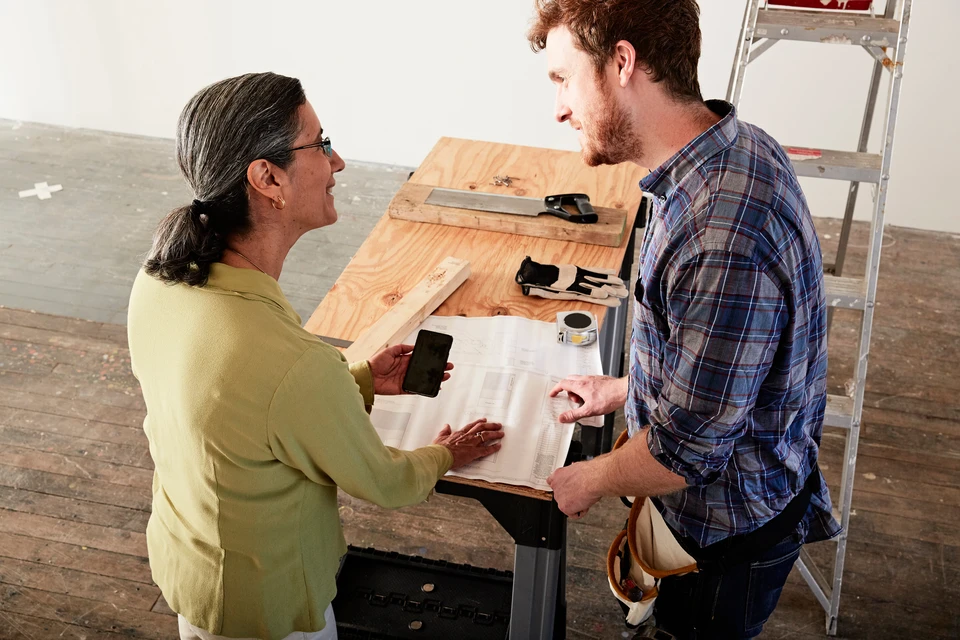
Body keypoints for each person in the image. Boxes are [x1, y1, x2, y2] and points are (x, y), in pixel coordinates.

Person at [126, 72, 504, 640]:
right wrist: (447, 452)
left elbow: (244, 414)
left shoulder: (157, 284)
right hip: (268, 610)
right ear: (268, 177)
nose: (339, 162)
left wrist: (358, 380)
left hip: (196, 579)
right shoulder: (290, 362)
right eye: (321, 144)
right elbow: (386, 482)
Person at [527, 1, 841, 638]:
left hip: (726, 542)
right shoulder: (728, 148)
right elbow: (720, 365)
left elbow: (685, 452)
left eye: (564, 80)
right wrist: (626, 389)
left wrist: (590, 476)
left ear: (622, 62)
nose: (558, 108)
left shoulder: (717, 234)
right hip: (733, 491)